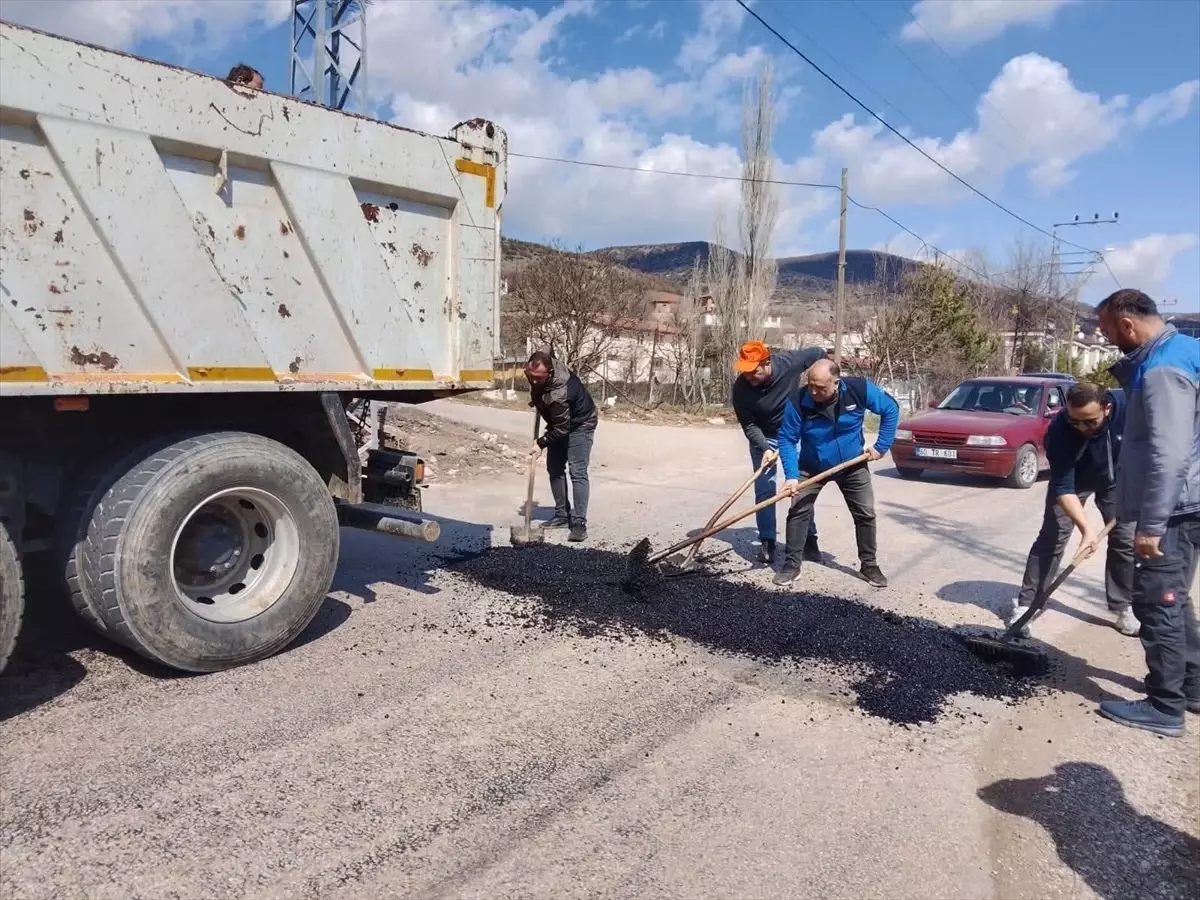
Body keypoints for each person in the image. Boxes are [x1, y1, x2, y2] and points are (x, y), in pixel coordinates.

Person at [1095, 289, 1200, 738]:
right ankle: (1193, 686)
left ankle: (1165, 706)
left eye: (1105, 331)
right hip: (1191, 500)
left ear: (1127, 325)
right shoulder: (1188, 351)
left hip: (1175, 509)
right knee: (1175, 597)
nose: (1107, 339)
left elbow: (1170, 454)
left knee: (1157, 602)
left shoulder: (1161, 370)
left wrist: (1151, 523)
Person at [1006, 382, 1138, 637]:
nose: (1081, 428)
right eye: (1075, 421)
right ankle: (1027, 606)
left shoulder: (1130, 406)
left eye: (1089, 422)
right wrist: (1087, 530)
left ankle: (1123, 606)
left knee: (1124, 540)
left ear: (1107, 409)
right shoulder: (1059, 430)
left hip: (1116, 480)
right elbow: (1064, 488)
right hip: (1074, 482)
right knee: (1052, 539)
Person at [776, 359, 900, 588]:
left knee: (865, 513)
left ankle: (869, 565)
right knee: (798, 510)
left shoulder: (858, 389)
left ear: (836, 382)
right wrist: (792, 475)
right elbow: (787, 439)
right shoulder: (798, 400)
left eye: (821, 388)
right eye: (811, 385)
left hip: (853, 463)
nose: (814, 392)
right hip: (811, 465)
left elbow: (890, 409)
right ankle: (792, 565)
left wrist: (881, 446)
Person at [732, 341, 827, 564]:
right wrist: (765, 448)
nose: (749, 377)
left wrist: (817, 390)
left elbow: (820, 353)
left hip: (793, 434)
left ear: (766, 363)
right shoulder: (741, 389)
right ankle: (767, 543)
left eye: (753, 371)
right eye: (745, 372)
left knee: (801, 487)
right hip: (764, 437)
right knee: (765, 490)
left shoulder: (789, 363)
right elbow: (748, 425)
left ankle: (808, 540)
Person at [525, 350, 597, 543]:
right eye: (530, 376)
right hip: (561, 421)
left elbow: (562, 429)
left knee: (577, 471)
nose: (533, 381)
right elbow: (542, 392)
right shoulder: (539, 372)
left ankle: (579, 522)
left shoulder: (561, 391)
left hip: (581, 424)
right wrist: (539, 400)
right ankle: (561, 515)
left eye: (537, 378)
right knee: (554, 468)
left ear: (549, 373)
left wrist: (540, 443)